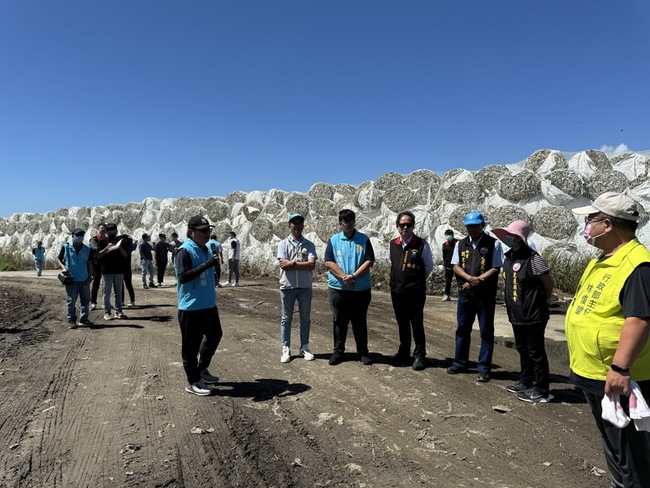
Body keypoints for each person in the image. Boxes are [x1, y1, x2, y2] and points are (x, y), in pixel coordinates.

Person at [566, 192, 650, 487]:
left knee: (630, 452)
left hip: (618, 378)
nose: (587, 225)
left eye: (591, 219)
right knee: (615, 446)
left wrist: (620, 368)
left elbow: (639, 319)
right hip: (595, 372)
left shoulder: (637, 266)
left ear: (609, 224)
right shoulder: (604, 260)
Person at [492, 220, 554, 402]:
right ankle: (525, 381)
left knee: (535, 351)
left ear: (520, 238)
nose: (509, 238)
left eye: (512, 236)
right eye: (508, 236)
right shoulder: (509, 257)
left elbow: (548, 284)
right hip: (516, 314)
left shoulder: (534, 259)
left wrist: (538, 301)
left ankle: (541, 390)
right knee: (522, 349)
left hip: (533, 314)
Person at [447, 211, 503, 382]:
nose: (471, 230)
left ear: (482, 225)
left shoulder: (494, 244)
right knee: (463, 328)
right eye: (469, 227)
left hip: (485, 295)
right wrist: (468, 278)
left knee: (486, 331)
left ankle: (484, 367)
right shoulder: (461, 244)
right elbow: (455, 265)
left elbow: (496, 267)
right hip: (466, 294)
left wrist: (477, 280)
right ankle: (460, 363)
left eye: (475, 226)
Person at [174, 215, 223, 396]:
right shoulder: (184, 251)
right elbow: (183, 277)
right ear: (191, 232)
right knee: (190, 348)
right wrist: (207, 264)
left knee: (215, 335)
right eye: (203, 231)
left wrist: (214, 267)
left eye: (208, 230)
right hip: (191, 308)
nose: (207, 234)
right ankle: (193, 382)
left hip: (208, 306)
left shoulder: (206, 249)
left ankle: (201, 369)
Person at [324, 209, 375, 366]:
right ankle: (338, 352)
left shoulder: (364, 239)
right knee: (339, 321)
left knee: (359, 321)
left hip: (360, 289)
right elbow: (328, 261)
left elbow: (369, 261)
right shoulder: (334, 240)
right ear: (340, 223)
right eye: (344, 221)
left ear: (354, 222)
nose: (347, 223)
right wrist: (344, 277)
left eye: (350, 220)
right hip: (338, 289)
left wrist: (353, 277)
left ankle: (363, 352)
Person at [389, 211, 434, 371]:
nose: (405, 227)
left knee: (416, 324)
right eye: (402, 225)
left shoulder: (421, 244)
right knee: (402, 323)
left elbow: (428, 266)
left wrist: (415, 280)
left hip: (415, 292)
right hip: (397, 291)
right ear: (397, 227)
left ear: (413, 226)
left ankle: (420, 354)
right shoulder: (393, 244)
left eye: (409, 224)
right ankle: (404, 352)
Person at [277, 213, 318, 363]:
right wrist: (301, 265)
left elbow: (312, 265)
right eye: (294, 223)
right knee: (286, 318)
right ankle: (285, 347)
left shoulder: (309, 244)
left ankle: (304, 347)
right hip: (287, 286)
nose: (298, 225)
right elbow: (283, 265)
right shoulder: (282, 244)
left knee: (305, 318)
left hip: (305, 286)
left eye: (300, 222)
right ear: (289, 226)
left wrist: (292, 264)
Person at [57, 227, 94, 329]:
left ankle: (84, 319)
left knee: (86, 301)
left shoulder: (87, 249)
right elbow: (59, 259)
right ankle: (72, 320)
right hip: (71, 280)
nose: (80, 237)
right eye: (78, 235)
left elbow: (89, 263)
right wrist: (64, 268)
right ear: (72, 236)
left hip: (84, 279)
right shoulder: (66, 247)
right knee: (71, 301)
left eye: (82, 235)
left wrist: (90, 276)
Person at [96, 223, 129, 320]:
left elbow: (126, 255)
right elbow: (98, 255)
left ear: (116, 231)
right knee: (106, 292)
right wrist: (107, 248)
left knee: (118, 292)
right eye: (109, 231)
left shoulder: (122, 241)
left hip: (119, 270)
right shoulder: (102, 242)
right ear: (106, 232)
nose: (111, 232)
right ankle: (107, 312)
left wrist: (119, 248)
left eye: (113, 230)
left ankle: (119, 311)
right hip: (106, 271)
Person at [89, 223, 106, 310]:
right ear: (98, 229)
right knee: (96, 284)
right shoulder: (94, 239)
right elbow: (95, 249)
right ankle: (93, 302)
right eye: (101, 228)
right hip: (96, 264)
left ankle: (104, 303)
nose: (103, 230)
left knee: (105, 285)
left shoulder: (107, 239)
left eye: (104, 228)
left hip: (106, 264)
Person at [441, 229, 458, 301]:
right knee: (448, 281)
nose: (448, 236)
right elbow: (444, 256)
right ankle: (447, 295)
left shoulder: (457, 243)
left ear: (452, 235)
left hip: (457, 265)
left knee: (459, 280)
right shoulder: (444, 245)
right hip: (448, 265)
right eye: (447, 235)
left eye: (449, 235)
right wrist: (444, 265)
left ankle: (462, 294)